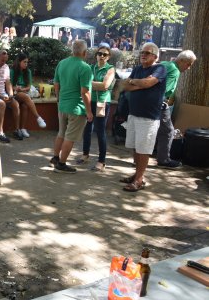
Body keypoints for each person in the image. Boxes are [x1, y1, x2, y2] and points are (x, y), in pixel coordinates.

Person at [119, 42, 166, 192]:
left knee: (143, 149)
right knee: (135, 146)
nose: (143, 55)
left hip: (149, 117)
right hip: (133, 114)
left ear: (155, 56)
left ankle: (139, 180)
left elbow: (148, 82)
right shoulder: (138, 69)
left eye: (147, 53)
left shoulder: (160, 68)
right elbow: (125, 86)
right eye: (142, 53)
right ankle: (137, 175)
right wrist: (141, 84)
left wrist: (138, 83)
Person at [49, 40, 93, 173]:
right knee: (70, 137)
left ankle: (56, 158)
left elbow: (56, 85)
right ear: (85, 53)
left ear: (72, 50)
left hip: (63, 105)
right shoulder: (85, 68)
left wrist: (59, 99)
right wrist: (89, 111)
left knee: (61, 133)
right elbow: (85, 92)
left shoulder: (62, 63)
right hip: (77, 108)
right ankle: (61, 165)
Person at [76, 43, 115, 172]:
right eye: (99, 54)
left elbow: (105, 85)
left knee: (100, 131)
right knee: (86, 129)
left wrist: (87, 83)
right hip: (89, 101)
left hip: (102, 103)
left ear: (108, 57)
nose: (102, 56)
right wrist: (93, 85)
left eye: (105, 54)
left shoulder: (110, 69)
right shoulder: (90, 68)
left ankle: (101, 161)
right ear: (96, 55)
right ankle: (85, 155)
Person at [155, 50, 197, 169]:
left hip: (150, 102)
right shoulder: (174, 70)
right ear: (182, 60)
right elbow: (163, 89)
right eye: (188, 64)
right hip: (159, 103)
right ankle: (163, 159)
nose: (188, 68)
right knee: (168, 131)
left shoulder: (164, 64)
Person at [9, 53, 47, 137]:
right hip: (14, 93)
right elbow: (10, 86)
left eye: (27, 62)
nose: (26, 64)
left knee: (25, 106)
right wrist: (16, 88)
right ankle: (38, 117)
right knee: (25, 96)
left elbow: (29, 87)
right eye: (24, 62)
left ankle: (22, 129)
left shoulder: (28, 71)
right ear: (19, 62)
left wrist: (22, 89)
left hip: (24, 92)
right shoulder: (12, 71)